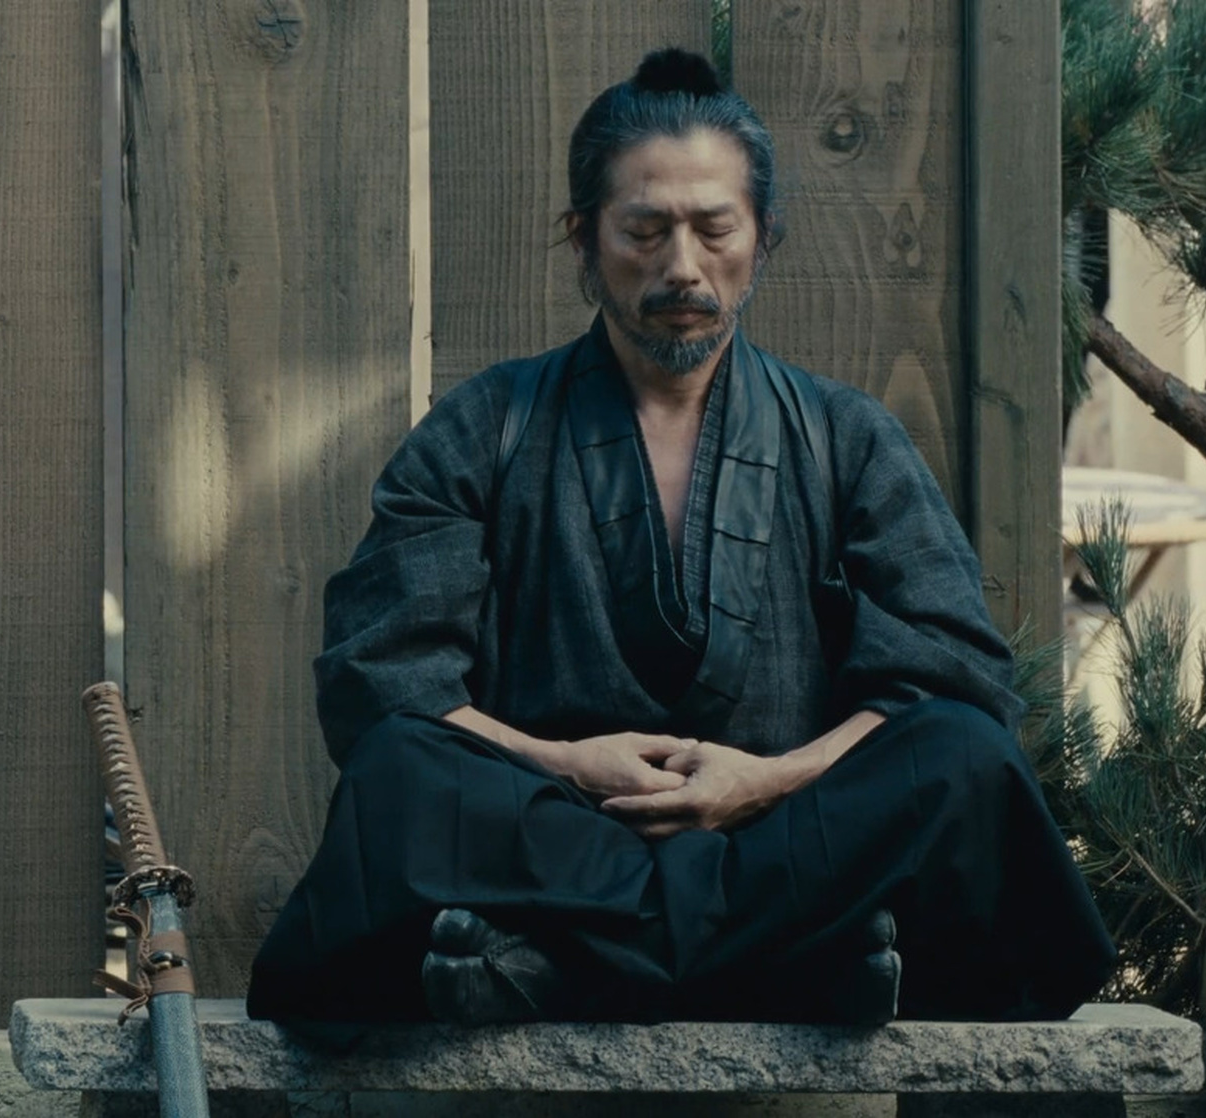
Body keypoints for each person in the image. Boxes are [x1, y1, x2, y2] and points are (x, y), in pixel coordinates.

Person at [246, 48, 1114, 1026]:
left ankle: (559, 967)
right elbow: (381, 681)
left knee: (962, 752)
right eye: (644, 230)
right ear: (583, 237)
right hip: (563, 833)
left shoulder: (844, 436)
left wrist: (766, 782)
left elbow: (950, 677)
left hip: (778, 840)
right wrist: (566, 765)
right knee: (402, 772)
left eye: (714, 228)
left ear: (763, 234)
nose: (682, 267)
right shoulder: (482, 427)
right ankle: (783, 968)